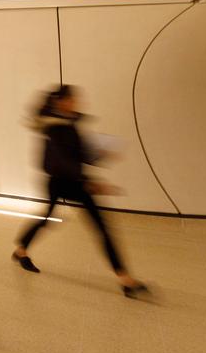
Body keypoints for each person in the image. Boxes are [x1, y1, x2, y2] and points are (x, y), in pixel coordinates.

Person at [13, 85, 148, 297]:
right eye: (72, 99)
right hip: (59, 182)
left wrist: (101, 155)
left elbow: (80, 154)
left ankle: (125, 279)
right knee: (47, 218)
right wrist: (88, 181)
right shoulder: (54, 127)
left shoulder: (71, 124)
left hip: (75, 181)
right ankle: (21, 250)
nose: (76, 102)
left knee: (101, 225)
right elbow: (60, 161)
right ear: (61, 102)